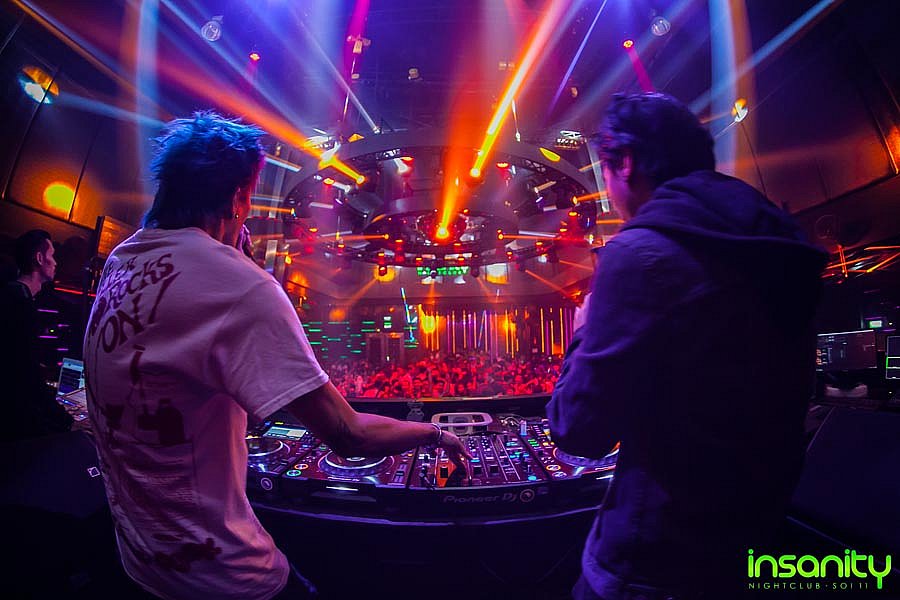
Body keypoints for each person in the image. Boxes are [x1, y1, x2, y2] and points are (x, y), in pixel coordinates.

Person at [83, 111, 469, 600]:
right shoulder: (238, 284)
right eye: (249, 197)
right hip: (221, 580)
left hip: (138, 565)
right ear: (237, 197)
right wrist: (435, 434)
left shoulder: (122, 260)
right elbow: (348, 435)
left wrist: (230, 255)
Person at [547, 93, 826, 599]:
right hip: (756, 548)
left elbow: (578, 430)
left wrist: (583, 329)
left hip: (652, 565)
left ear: (625, 163)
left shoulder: (640, 253)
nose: (608, 192)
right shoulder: (783, 250)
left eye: (604, 172)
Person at [0, 229, 73, 441]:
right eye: (52, 255)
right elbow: (26, 375)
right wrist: (64, 419)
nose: (56, 263)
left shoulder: (12, 293)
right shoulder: (21, 304)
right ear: (39, 259)